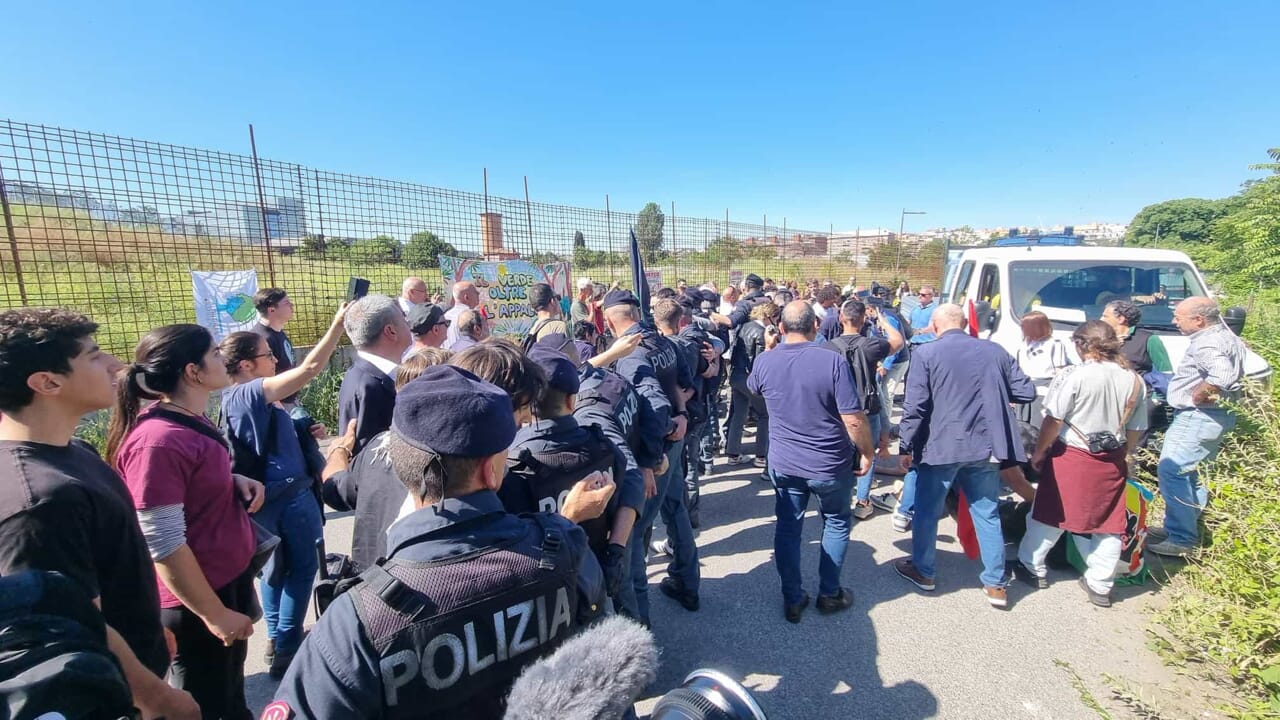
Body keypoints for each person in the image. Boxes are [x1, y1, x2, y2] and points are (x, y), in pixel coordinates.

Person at [268, 365, 611, 719]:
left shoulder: (356, 621)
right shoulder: (562, 548)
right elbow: (607, 674)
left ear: (403, 467)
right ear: (490, 471)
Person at [0, 308, 200, 720]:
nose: (115, 364)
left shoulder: (74, 454)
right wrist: (159, 700)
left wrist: (145, 625)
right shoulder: (42, 501)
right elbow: (67, 626)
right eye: (92, 356)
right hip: (112, 693)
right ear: (47, 382)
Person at [105, 324, 265, 719]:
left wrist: (231, 481)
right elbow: (162, 541)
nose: (222, 359)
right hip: (195, 604)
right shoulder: (158, 440)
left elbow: (185, 491)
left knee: (230, 698)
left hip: (222, 585)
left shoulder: (186, 420)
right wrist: (214, 613)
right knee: (207, 704)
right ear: (192, 372)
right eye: (213, 353)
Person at [217, 302, 347, 677]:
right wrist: (337, 323)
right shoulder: (246, 394)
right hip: (287, 499)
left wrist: (303, 431)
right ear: (245, 365)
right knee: (303, 568)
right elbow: (309, 369)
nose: (274, 360)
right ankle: (288, 644)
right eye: (266, 355)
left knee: (274, 572)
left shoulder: (242, 400)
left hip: (270, 499)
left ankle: (276, 637)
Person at [894, 304, 1036, 609]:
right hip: (986, 447)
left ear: (934, 325)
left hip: (941, 446)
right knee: (986, 513)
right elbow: (1025, 391)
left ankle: (924, 571)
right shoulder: (994, 350)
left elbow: (915, 406)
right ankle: (996, 584)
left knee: (927, 512)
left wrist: (905, 446)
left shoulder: (926, 354)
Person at [749, 301, 874, 623]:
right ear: (815, 326)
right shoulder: (831, 361)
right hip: (829, 462)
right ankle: (829, 593)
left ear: (779, 328)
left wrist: (769, 350)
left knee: (789, 528)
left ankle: (792, 596)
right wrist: (867, 452)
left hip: (785, 461)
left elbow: (754, 389)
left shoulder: (765, 361)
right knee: (835, 521)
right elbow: (854, 419)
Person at [1015, 321, 1148, 607]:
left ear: (1080, 344)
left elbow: (1053, 419)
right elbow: (1136, 427)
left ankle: (1032, 565)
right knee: (1109, 521)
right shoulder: (1135, 379)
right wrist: (1126, 451)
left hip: (1072, 453)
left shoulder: (1075, 375)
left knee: (1051, 513)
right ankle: (1101, 584)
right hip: (1111, 456)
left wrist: (1040, 452)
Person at [502, 345, 632, 608]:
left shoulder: (510, 466)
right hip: (597, 575)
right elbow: (631, 487)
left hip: (545, 597)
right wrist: (616, 550)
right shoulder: (602, 445)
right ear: (573, 400)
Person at [602, 289, 699, 622]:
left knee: (631, 544)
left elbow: (656, 404)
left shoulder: (630, 354)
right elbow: (687, 386)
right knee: (677, 511)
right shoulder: (663, 342)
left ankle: (639, 631)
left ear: (607, 320)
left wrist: (646, 461)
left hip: (653, 453)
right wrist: (683, 416)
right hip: (671, 441)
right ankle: (688, 583)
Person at [537, 333, 648, 617]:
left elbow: (632, 474)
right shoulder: (605, 388)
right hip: (593, 554)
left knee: (626, 595)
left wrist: (615, 551)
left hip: (588, 560)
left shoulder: (590, 420)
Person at [321, 350, 449, 570]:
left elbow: (334, 489)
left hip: (374, 585)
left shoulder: (378, 447)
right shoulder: (460, 458)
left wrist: (339, 451)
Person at [1149, 297, 1248, 557]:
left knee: (1173, 470)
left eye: (1178, 317)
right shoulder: (1227, 336)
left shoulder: (1207, 342)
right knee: (1194, 474)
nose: (1174, 321)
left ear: (1198, 320)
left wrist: (1199, 394)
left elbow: (1222, 375)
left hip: (1198, 415)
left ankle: (1182, 539)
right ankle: (1181, 529)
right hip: (1216, 417)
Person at [827, 298, 903, 519]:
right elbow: (897, 341)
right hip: (867, 407)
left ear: (841, 319)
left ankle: (839, 496)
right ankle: (862, 501)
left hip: (839, 408)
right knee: (867, 454)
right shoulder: (871, 345)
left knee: (839, 451)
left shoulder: (828, 348)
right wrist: (883, 321)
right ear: (862, 320)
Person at [339, 295, 412, 456]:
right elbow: (370, 457)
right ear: (391, 331)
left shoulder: (365, 376)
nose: (409, 324)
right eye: (404, 319)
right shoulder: (369, 386)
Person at [724, 301, 778, 468]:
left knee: (738, 414)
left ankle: (733, 453)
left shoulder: (744, 326)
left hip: (736, 376)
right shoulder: (763, 333)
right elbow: (761, 361)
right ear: (770, 316)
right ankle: (761, 455)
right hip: (751, 378)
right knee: (764, 415)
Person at [250, 288, 298, 405]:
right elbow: (261, 381)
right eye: (287, 303)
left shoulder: (278, 332)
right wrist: (280, 412)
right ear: (271, 310)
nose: (292, 306)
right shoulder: (261, 340)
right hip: (277, 405)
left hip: (290, 400)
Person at [1101, 299, 1172, 380]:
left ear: (1120, 319)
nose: (1101, 320)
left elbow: (1166, 374)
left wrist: (1153, 392)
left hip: (1139, 390)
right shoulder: (1100, 339)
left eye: (1105, 316)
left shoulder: (1148, 339)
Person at [1015, 310, 1070, 381]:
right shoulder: (1024, 343)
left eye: (1024, 326)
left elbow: (1059, 370)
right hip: (1026, 381)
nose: (1022, 328)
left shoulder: (1055, 344)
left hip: (1046, 382)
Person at [443, 280, 481, 349]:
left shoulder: (445, 316)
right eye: (475, 292)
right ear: (466, 297)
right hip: (468, 356)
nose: (478, 294)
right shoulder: (471, 317)